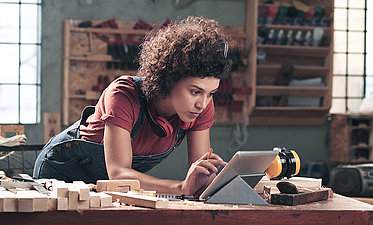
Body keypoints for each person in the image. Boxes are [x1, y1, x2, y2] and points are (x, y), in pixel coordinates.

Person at [33, 16, 232, 197]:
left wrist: (215, 180)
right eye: (195, 91)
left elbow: (200, 174)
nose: (203, 104)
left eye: (211, 93)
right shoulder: (123, 94)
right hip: (61, 173)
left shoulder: (202, 104)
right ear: (169, 80)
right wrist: (180, 187)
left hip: (108, 186)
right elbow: (118, 173)